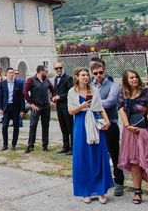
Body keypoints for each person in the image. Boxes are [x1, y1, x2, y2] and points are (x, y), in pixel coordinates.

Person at [68, 67, 113, 204]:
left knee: (97, 156)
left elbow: (100, 108)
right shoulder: (72, 92)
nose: (86, 77)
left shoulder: (94, 90)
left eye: (87, 75)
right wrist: (81, 106)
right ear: (76, 77)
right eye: (83, 75)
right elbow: (71, 111)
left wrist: (107, 121)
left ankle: (101, 191)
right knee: (83, 157)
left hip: (94, 123)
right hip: (81, 124)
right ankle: (85, 191)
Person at [117, 69, 148, 207]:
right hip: (130, 132)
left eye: (136, 77)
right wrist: (127, 126)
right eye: (131, 78)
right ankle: (138, 191)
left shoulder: (147, 91)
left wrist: (144, 123)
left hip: (147, 130)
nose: (134, 79)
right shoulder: (123, 93)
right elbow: (121, 110)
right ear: (126, 80)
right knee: (135, 162)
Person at [91, 61, 124, 196]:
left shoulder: (113, 85)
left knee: (115, 154)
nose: (99, 75)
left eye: (101, 72)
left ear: (104, 71)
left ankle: (119, 182)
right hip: (94, 125)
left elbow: (110, 102)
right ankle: (101, 181)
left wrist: (92, 103)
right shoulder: (90, 85)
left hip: (110, 124)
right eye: (95, 73)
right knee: (97, 154)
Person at [23, 64, 54, 153]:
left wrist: (52, 99)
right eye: (45, 71)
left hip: (46, 106)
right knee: (33, 125)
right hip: (36, 106)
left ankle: (45, 145)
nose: (47, 72)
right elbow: (24, 92)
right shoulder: (31, 80)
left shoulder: (46, 80)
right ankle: (30, 145)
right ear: (40, 71)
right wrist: (31, 104)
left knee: (45, 125)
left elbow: (52, 89)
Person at [0, 67, 25, 151]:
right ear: (6, 74)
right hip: (6, 108)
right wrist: (0, 108)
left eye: (13, 72)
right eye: (10, 72)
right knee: (4, 126)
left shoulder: (18, 84)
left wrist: (22, 110)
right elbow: (0, 97)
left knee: (16, 126)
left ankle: (14, 144)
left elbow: (21, 97)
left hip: (15, 108)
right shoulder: (2, 84)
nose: (12, 74)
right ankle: (5, 144)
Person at [52, 62, 74, 154]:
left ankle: (72, 148)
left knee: (70, 127)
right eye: (56, 68)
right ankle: (65, 146)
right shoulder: (55, 79)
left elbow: (70, 92)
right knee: (63, 127)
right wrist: (53, 97)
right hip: (59, 106)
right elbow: (55, 91)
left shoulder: (68, 78)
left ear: (63, 67)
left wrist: (60, 97)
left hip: (66, 105)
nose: (58, 70)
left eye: (60, 68)